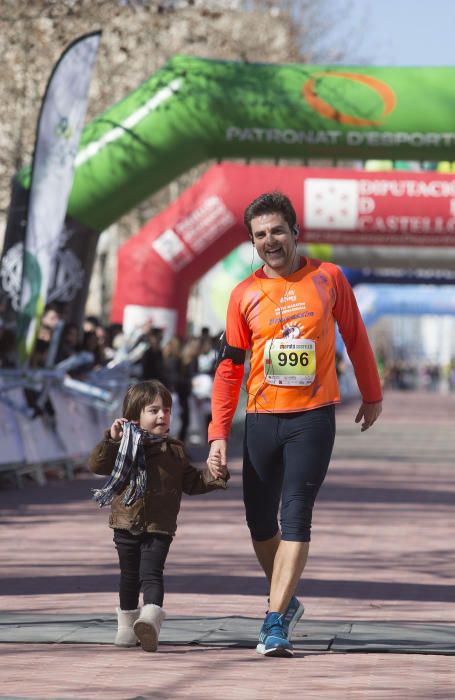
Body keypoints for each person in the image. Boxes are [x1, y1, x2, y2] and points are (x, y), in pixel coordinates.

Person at [207, 192, 382, 658]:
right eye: (260, 235)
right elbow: (229, 369)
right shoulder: (243, 294)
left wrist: (372, 392)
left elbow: (355, 334)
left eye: (277, 231)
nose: (270, 241)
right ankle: (288, 602)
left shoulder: (328, 277)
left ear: (294, 232)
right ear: (253, 242)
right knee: (259, 522)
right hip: (262, 418)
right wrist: (218, 435)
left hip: (312, 416)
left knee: (296, 511)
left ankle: (272, 620)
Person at [89, 380, 229, 652]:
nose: (162, 416)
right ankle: (126, 627)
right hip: (125, 522)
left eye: (166, 410)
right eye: (153, 411)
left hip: (160, 525)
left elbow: (191, 483)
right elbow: (98, 465)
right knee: (129, 576)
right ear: (134, 416)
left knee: (152, 574)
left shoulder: (174, 450)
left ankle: (150, 621)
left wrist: (214, 474)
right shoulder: (123, 445)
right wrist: (111, 439)